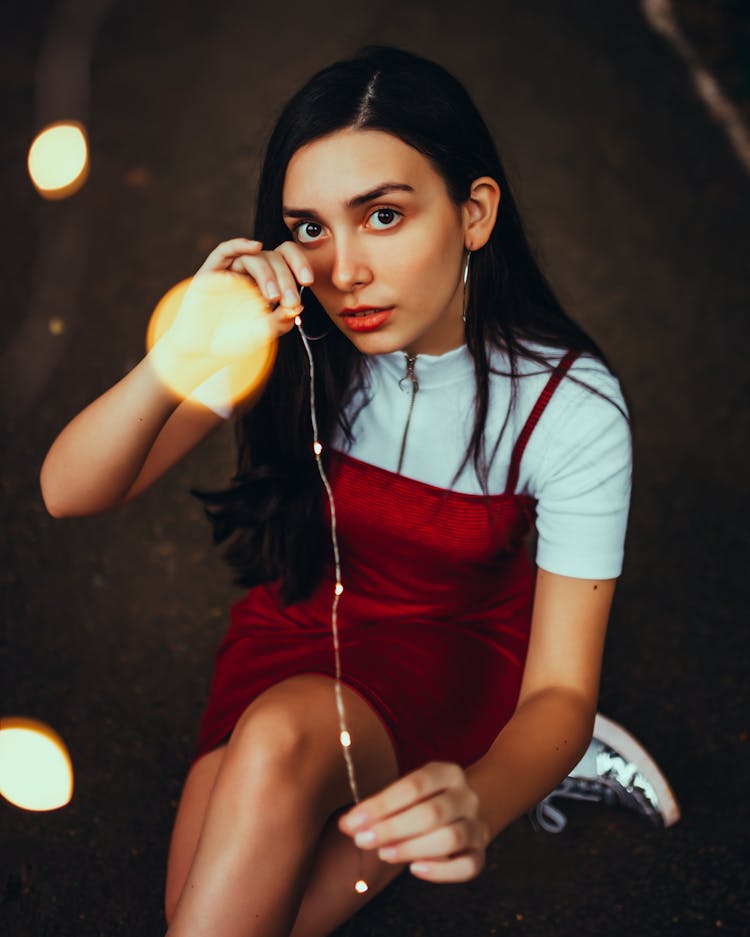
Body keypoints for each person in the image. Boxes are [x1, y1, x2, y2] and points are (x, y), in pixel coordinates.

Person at [40, 45, 678, 937]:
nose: (343, 270)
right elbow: (67, 491)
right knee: (220, 914)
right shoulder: (286, 334)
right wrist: (181, 350)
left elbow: (561, 693)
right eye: (310, 228)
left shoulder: (571, 406)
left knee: (270, 775)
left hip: (456, 652)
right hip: (296, 628)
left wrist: (483, 798)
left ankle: (522, 762)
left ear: (475, 213)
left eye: (382, 214)